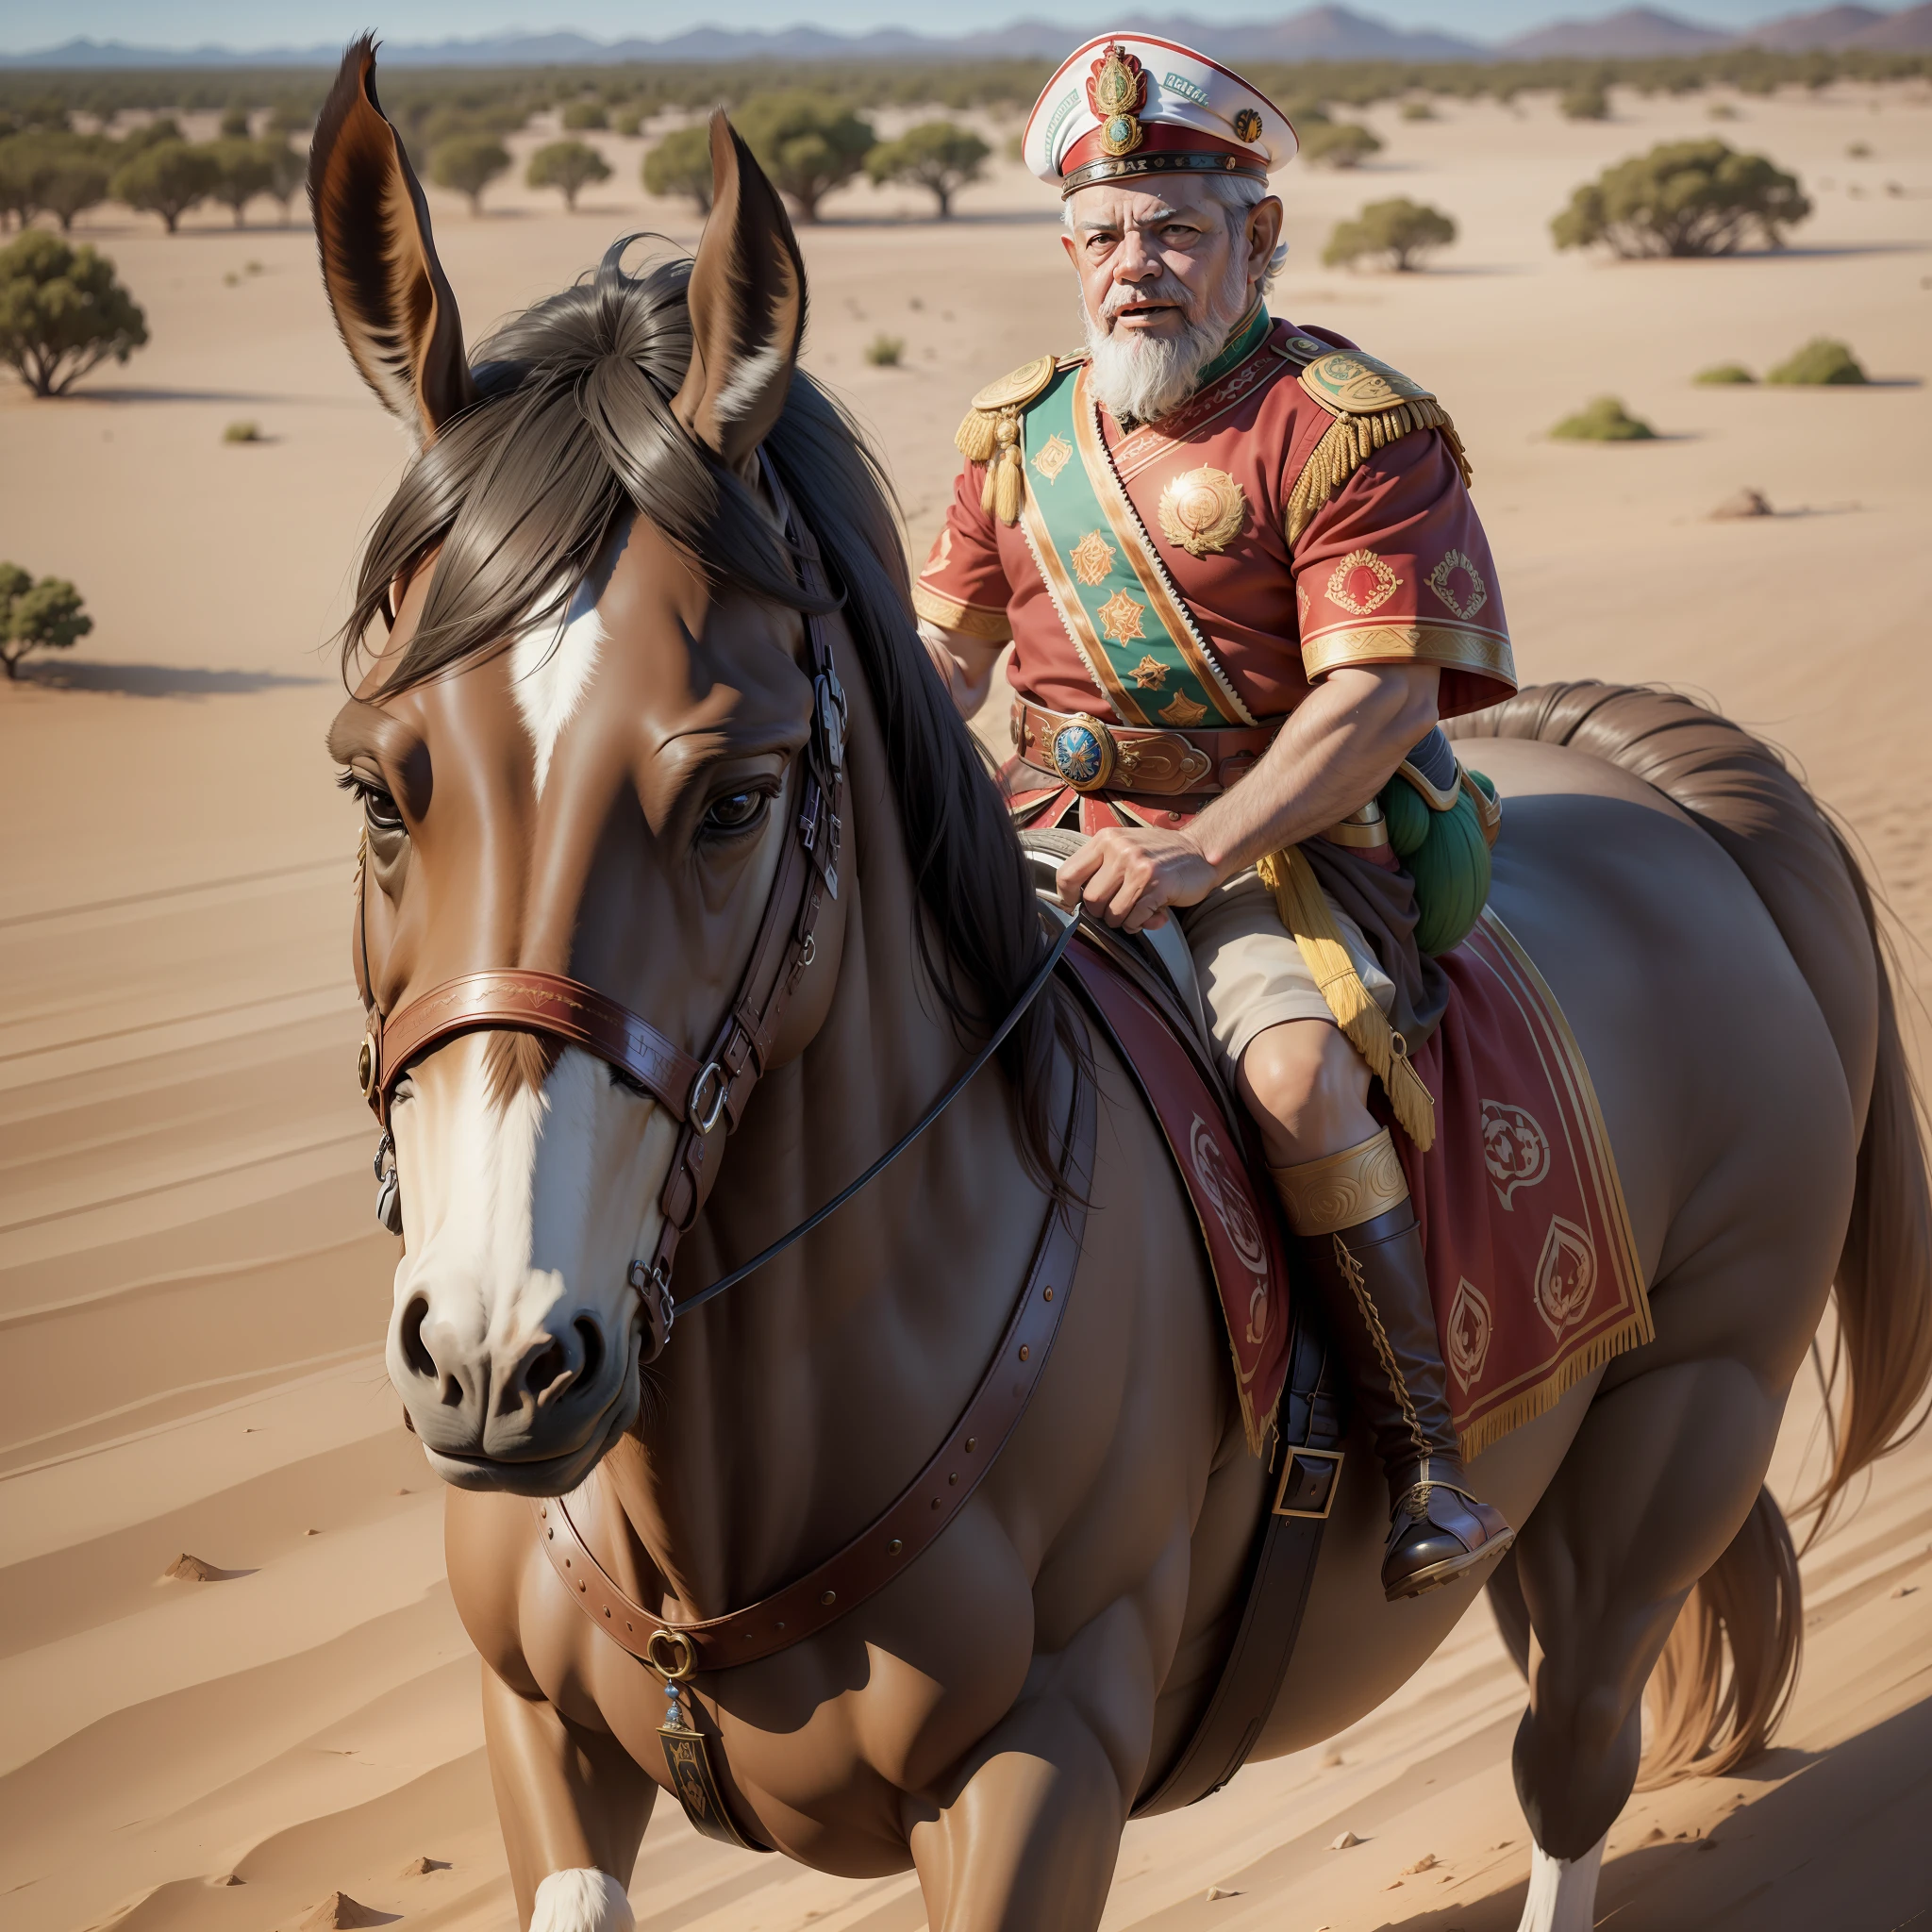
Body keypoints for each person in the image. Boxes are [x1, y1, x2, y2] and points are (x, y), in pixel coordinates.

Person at [913, 34, 1519, 1602]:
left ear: (1259, 238)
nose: (1139, 268)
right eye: (1107, 235)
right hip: (1040, 816)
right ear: (1069, 253)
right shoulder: (1013, 433)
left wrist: (1199, 848)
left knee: (1302, 1071)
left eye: (1179, 230)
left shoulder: (1349, 426)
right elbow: (949, 656)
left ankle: (1429, 1454)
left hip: (1276, 846)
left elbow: (1377, 703)